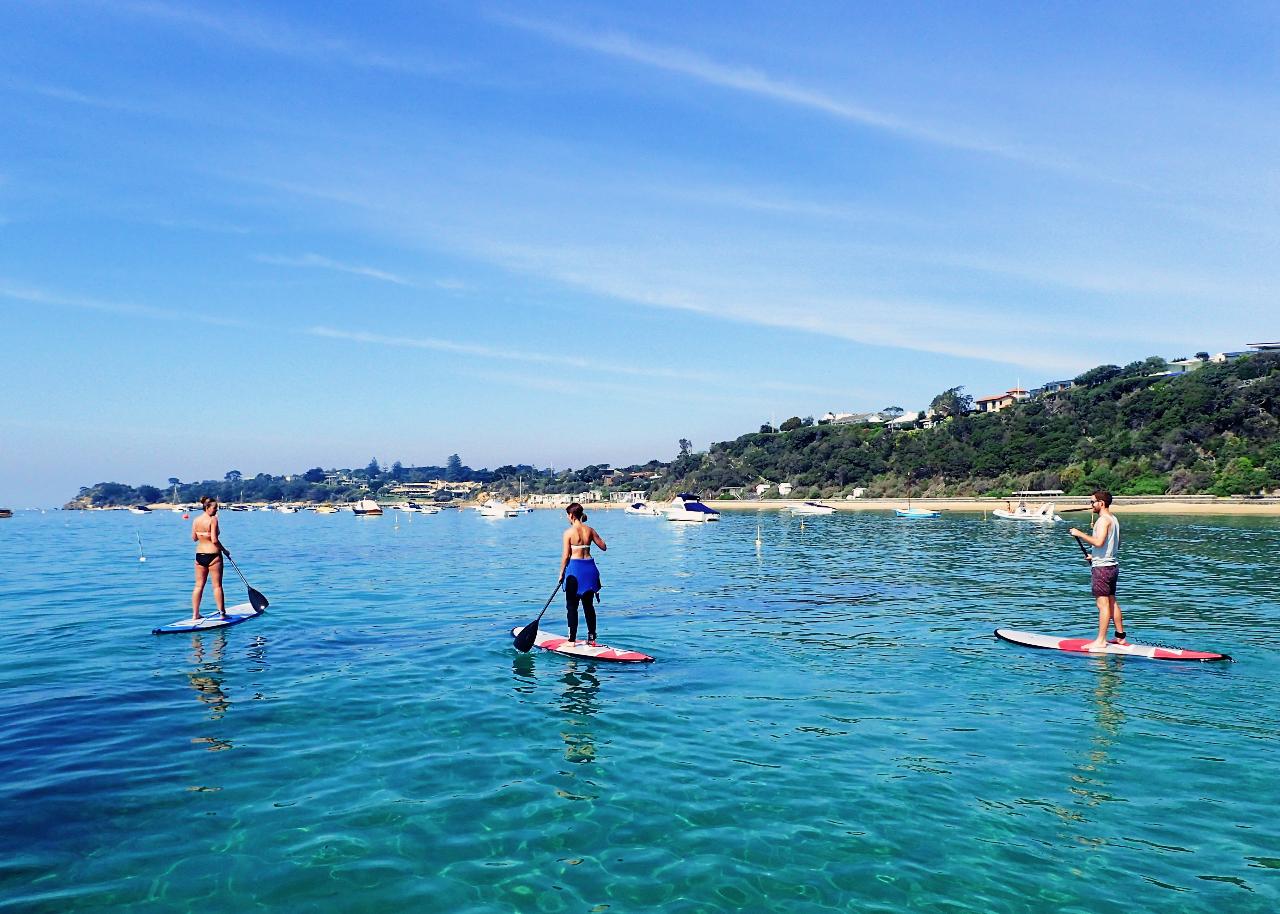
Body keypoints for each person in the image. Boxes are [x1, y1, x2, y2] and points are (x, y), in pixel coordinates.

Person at [1069, 489, 1125, 650]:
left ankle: (1101, 641)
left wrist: (1079, 534)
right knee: (1112, 601)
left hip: (1102, 569)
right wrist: (1095, 557)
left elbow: (1099, 542)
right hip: (1112, 566)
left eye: (1092, 501)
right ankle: (1120, 637)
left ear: (1101, 503)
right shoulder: (1113, 519)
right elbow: (1115, 544)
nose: (1091, 505)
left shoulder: (1103, 520)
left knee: (1103, 605)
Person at [558, 502, 607, 644]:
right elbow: (603, 547)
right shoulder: (590, 530)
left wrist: (561, 573)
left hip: (575, 570)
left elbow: (565, 556)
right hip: (590, 570)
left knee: (572, 606)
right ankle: (592, 639)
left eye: (568, 515)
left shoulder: (568, 533)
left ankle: (572, 639)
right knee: (588, 606)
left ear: (571, 515)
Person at [191, 495, 229, 622]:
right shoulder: (213, 520)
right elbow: (214, 540)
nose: (216, 510)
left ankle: (195, 614)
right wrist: (225, 550)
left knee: (198, 586)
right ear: (206, 508)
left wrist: (203, 535)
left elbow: (194, 538)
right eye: (214, 508)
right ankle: (222, 613)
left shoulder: (196, 520)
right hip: (213, 556)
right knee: (217, 586)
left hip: (199, 556)